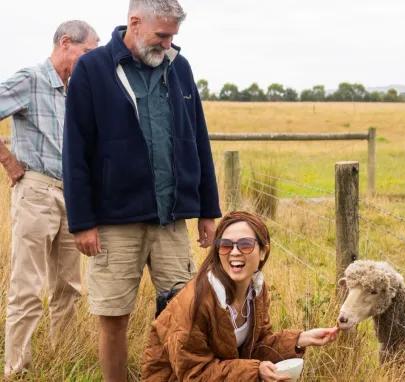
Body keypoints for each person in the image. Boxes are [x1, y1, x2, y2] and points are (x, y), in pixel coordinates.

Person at [63, 1, 221, 381]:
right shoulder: (93, 69)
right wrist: (82, 222)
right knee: (114, 318)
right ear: (134, 22)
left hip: (171, 220)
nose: (167, 44)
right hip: (114, 224)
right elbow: (75, 150)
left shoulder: (180, 68)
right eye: (161, 36)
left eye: (172, 37)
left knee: (183, 315)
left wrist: (207, 211)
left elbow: (197, 139)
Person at [0, 20, 98, 377]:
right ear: (66, 43)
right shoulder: (31, 79)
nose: (91, 60)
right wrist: (9, 162)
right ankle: (17, 369)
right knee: (27, 287)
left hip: (72, 198)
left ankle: (63, 364)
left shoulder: (77, 91)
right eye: (88, 52)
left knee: (69, 288)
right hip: (37, 192)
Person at [142, 211, 339, 381]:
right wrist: (255, 372)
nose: (235, 252)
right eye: (226, 245)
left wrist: (300, 339)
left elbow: (257, 346)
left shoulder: (256, 290)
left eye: (245, 245)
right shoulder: (197, 301)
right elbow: (195, 374)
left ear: (263, 251)